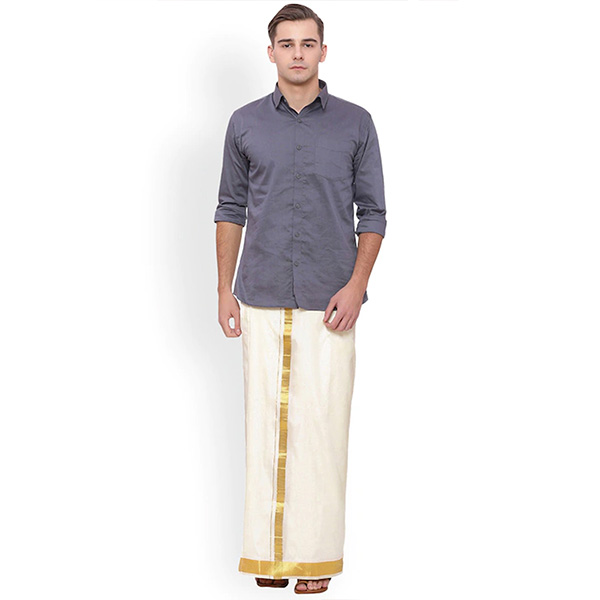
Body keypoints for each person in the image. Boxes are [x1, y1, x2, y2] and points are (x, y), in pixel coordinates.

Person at [214, 3, 386, 595]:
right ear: (271, 53)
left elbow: (374, 213)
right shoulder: (243, 124)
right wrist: (223, 290)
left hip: (330, 301)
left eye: (307, 43)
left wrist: (357, 286)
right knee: (263, 430)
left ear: (323, 51)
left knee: (322, 432)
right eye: (286, 44)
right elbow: (230, 207)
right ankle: (269, 557)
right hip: (260, 295)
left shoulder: (356, 124)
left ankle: (315, 562)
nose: (296, 53)